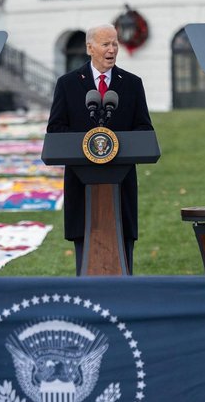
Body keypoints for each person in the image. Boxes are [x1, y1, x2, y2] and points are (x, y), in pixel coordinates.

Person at [47, 23, 153, 275]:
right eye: (106, 44)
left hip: (121, 182)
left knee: (122, 249)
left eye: (115, 43)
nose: (112, 49)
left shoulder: (132, 84)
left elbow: (144, 129)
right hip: (82, 184)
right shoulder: (68, 84)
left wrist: (116, 143)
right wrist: (90, 142)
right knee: (86, 248)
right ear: (90, 48)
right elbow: (56, 130)